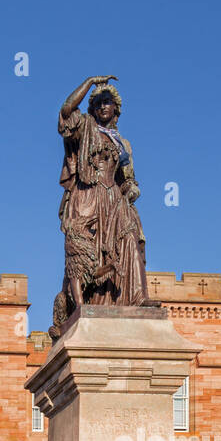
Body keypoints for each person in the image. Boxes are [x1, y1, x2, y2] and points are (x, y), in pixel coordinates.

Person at [50, 74, 150, 338]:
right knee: (83, 254)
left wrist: (132, 189)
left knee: (130, 237)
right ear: (93, 108)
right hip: (88, 197)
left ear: (116, 109)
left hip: (114, 199)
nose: (104, 106)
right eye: (99, 102)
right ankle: (83, 304)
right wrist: (90, 82)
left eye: (109, 102)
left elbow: (129, 178)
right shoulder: (84, 128)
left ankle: (137, 298)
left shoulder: (122, 143)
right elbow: (66, 110)